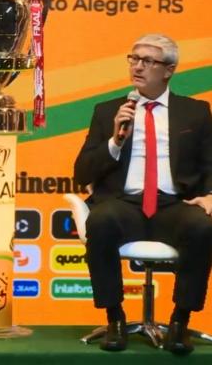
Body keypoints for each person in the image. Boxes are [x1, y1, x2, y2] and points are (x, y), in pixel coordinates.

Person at [74, 33, 212, 354]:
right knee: (101, 221)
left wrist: (210, 196)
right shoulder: (108, 110)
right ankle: (115, 318)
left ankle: (180, 321)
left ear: (169, 70)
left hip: (174, 204)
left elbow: (210, 163)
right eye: (133, 59)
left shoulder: (195, 112)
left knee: (203, 225)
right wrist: (115, 142)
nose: (137, 67)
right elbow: (81, 173)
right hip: (125, 204)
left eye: (148, 61)